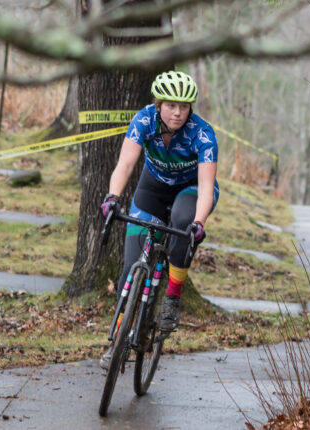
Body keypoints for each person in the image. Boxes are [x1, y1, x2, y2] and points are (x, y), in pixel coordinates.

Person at [99, 71, 218, 369]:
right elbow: (125, 163)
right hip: (153, 186)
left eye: (184, 106)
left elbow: (206, 187)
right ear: (158, 104)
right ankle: (117, 342)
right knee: (130, 266)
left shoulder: (203, 134)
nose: (178, 112)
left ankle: (173, 295)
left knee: (181, 220)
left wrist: (199, 222)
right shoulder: (143, 121)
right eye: (170, 105)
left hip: (190, 190)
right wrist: (112, 197)